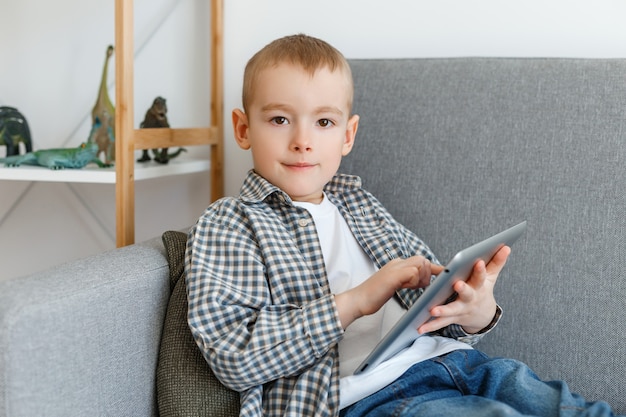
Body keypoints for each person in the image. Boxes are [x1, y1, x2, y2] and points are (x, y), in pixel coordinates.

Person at [185, 34, 622, 417]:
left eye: (324, 122)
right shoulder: (231, 223)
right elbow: (234, 356)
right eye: (280, 119)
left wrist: (474, 313)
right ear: (243, 129)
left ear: (348, 135)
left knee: (571, 407)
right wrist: (357, 301)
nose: (303, 139)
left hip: (457, 361)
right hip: (369, 395)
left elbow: (432, 299)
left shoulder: (360, 204)